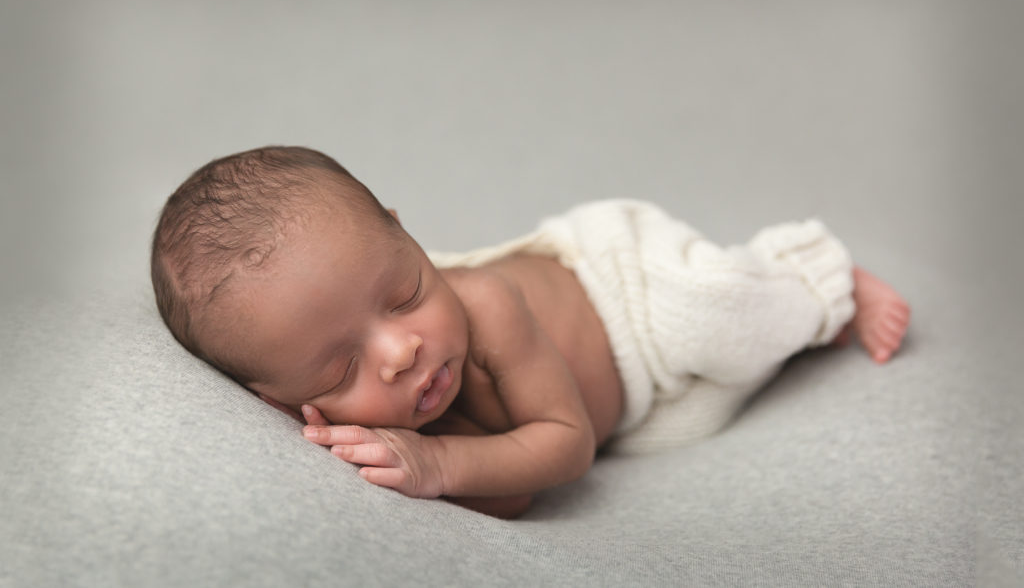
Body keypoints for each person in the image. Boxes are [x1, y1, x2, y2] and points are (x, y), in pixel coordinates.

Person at [151, 145, 910, 518]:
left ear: (406, 236)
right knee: (701, 402)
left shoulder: (483, 307)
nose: (400, 351)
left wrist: (441, 464)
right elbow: (512, 496)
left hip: (627, 286)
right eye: (337, 370)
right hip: (625, 384)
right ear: (282, 401)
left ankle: (819, 282)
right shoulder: (343, 386)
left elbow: (566, 445)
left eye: (408, 290)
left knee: (727, 316)